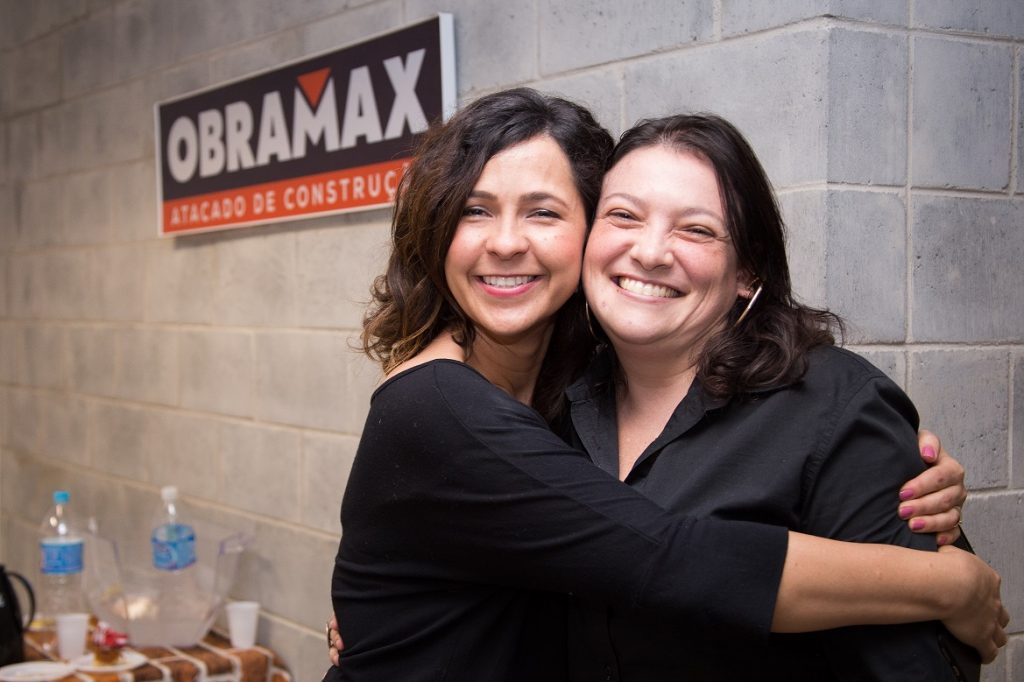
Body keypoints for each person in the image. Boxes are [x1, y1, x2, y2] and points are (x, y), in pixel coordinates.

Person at [324, 89, 1006, 682]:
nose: (649, 251)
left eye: (543, 212)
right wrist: (951, 584)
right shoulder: (448, 404)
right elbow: (670, 557)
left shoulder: (824, 405)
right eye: (474, 210)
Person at [565, 112, 995, 680]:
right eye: (623, 215)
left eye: (696, 230)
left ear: (747, 270)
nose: (649, 252)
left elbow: (917, 664)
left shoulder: (835, 407)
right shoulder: (549, 399)